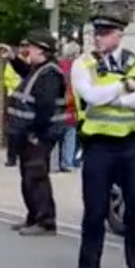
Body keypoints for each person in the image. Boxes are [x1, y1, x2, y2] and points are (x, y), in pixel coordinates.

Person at [71, 14, 135, 268]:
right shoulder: (83, 63)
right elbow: (91, 97)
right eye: (96, 32)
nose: (98, 37)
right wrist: (125, 86)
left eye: (105, 32)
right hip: (99, 146)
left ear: (119, 35)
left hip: (132, 145)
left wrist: (120, 98)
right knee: (95, 212)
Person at [3, 32, 67, 236]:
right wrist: (13, 58)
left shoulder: (50, 74)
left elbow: (45, 108)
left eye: (29, 46)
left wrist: (36, 133)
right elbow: (26, 73)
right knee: (28, 176)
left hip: (39, 134)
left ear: (41, 49)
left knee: (36, 176)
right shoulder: (38, 70)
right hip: (27, 133)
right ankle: (33, 216)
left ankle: (46, 221)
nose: (25, 50)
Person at [2, 39, 29, 168]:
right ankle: (11, 157)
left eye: (26, 46)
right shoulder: (12, 62)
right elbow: (8, 78)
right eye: (22, 46)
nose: (24, 49)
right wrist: (20, 85)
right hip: (13, 96)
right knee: (12, 127)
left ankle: (22, 154)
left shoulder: (30, 62)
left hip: (27, 97)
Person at [56, 40, 81, 172]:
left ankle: (54, 163)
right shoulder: (76, 67)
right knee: (70, 135)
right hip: (71, 105)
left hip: (58, 105)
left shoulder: (59, 65)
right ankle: (67, 162)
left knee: (56, 135)